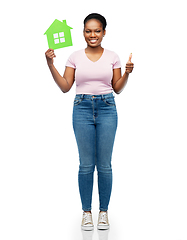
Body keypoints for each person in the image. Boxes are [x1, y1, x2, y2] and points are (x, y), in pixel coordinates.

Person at [45, 13, 134, 231]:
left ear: (104, 32)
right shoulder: (74, 56)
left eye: (97, 30)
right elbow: (66, 86)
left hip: (107, 108)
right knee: (86, 165)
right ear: (83, 32)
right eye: (88, 30)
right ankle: (87, 213)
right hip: (81, 109)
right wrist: (50, 64)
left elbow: (118, 88)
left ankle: (103, 212)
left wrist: (128, 74)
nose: (92, 34)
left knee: (104, 164)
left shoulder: (113, 56)